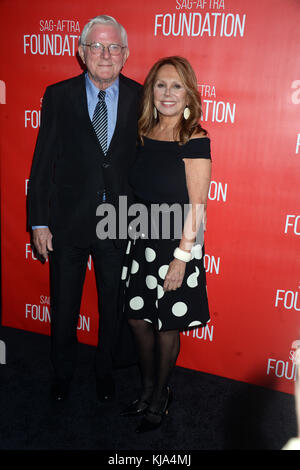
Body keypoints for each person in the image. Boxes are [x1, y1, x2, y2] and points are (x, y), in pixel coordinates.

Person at [27, 15, 141, 403]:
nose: (105, 54)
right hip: (67, 222)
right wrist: (39, 222)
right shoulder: (58, 96)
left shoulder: (142, 97)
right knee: (64, 305)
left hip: (120, 223)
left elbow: (150, 165)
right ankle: (62, 373)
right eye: (96, 46)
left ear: (125, 55)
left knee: (112, 305)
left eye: (113, 47)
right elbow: (42, 163)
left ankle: (104, 370)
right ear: (81, 52)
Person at [120, 56, 212, 432]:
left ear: (188, 91)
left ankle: (160, 395)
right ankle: (145, 388)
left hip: (176, 246)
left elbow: (197, 207)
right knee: (137, 320)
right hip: (142, 242)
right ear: (151, 91)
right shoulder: (144, 131)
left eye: (176, 85)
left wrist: (180, 258)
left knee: (165, 326)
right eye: (161, 85)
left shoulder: (195, 139)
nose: (168, 93)